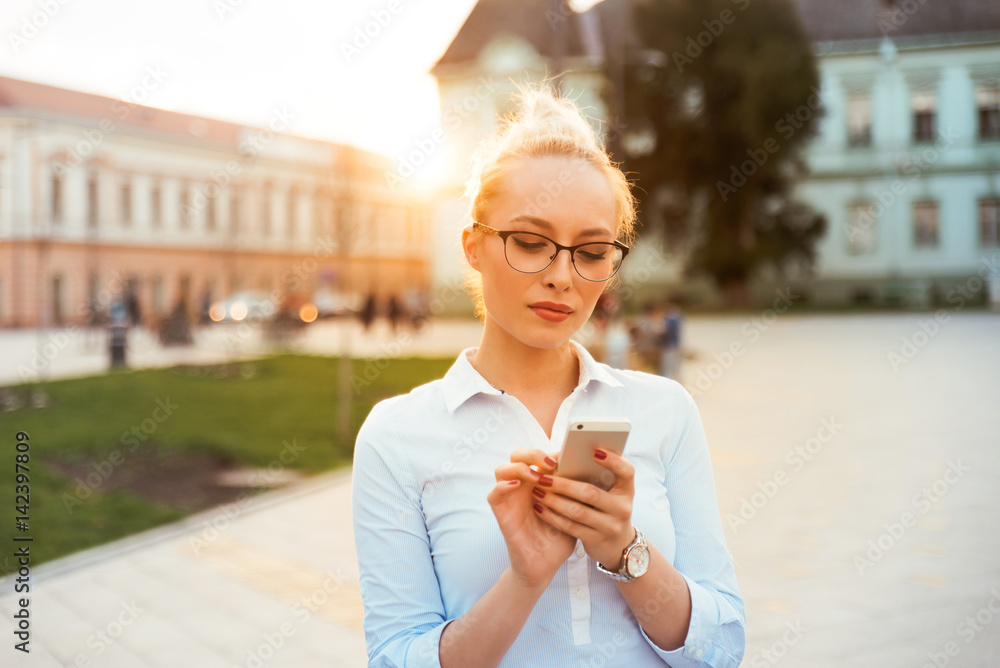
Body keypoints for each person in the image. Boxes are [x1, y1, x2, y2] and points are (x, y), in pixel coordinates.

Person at [351, 84, 745, 668]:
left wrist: (622, 547)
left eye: (590, 253)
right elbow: (395, 658)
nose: (563, 276)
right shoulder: (397, 437)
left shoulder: (666, 410)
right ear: (473, 247)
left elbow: (723, 648)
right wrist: (524, 579)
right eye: (532, 243)